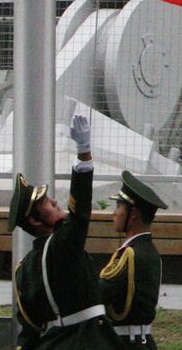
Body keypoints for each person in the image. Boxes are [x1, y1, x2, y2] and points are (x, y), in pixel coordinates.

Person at [9, 113, 125, 350]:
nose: (54, 201)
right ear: (34, 220)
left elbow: (29, 329)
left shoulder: (24, 269)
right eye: (47, 203)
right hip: (89, 341)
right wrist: (84, 154)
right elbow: (80, 212)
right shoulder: (62, 245)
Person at [100, 171, 168, 348]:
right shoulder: (148, 250)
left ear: (133, 213)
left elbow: (100, 292)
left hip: (126, 343)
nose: (114, 214)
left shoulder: (130, 255)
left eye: (119, 207)